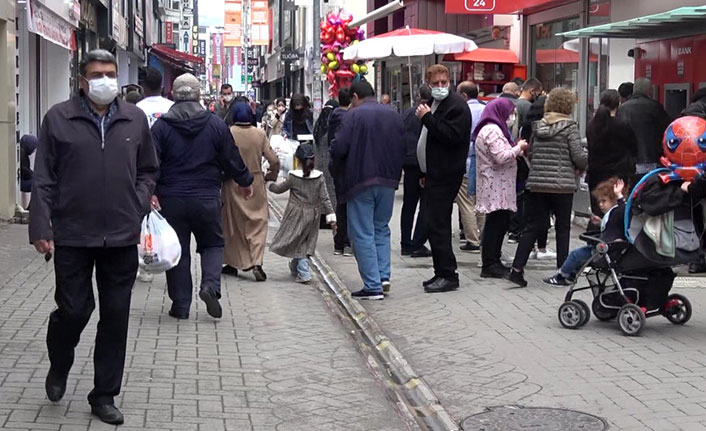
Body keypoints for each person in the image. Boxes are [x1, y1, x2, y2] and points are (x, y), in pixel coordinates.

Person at [29, 49, 159, 425]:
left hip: (121, 234)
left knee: (115, 317)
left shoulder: (134, 119)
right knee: (75, 309)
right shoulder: (58, 119)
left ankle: (104, 395)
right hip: (72, 234)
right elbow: (43, 178)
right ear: (82, 80)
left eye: (110, 72)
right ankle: (60, 361)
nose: (104, 79)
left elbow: (148, 169)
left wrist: (136, 204)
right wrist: (41, 226)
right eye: (97, 73)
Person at [151, 73, 254, 320]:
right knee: (212, 244)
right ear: (199, 96)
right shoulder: (215, 124)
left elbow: (150, 162)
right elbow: (230, 157)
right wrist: (245, 181)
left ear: (173, 96)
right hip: (207, 196)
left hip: (171, 198)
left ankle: (181, 305)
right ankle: (210, 286)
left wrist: (150, 191)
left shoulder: (161, 126)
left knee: (177, 251)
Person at [331, 80, 405, 299]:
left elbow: (339, 147)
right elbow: (403, 146)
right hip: (388, 180)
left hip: (360, 180)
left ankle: (372, 285)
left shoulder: (352, 116)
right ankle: (383, 277)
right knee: (381, 228)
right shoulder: (393, 114)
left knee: (362, 232)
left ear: (354, 97)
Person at [509, 88, 588, 287]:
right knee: (563, 229)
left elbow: (532, 154)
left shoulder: (538, 126)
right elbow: (579, 157)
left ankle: (517, 269)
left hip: (537, 184)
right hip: (562, 186)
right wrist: (581, 164)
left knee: (532, 227)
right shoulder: (570, 127)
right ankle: (562, 272)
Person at [416, 64, 471, 293]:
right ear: (428, 84)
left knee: (438, 224)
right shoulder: (435, 103)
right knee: (432, 222)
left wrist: (428, 118)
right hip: (433, 174)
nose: (440, 87)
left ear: (450, 81)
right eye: (436, 83)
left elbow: (451, 136)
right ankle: (440, 271)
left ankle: (448, 274)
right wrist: (423, 171)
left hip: (446, 174)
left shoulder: (457, 105)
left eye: (443, 83)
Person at [221, 102, 280, 281]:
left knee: (233, 224)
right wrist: (271, 176)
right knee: (258, 222)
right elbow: (274, 160)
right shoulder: (259, 134)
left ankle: (232, 263)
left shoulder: (228, 133)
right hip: (255, 182)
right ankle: (256, 262)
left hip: (232, 183)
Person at [474, 98, 528, 278]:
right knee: (495, 224)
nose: (512, 117)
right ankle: (490, 263)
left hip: (498, 185)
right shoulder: (492, 130)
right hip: (496, 185)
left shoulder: (493, 129)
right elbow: (501, 156)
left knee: (499, 223)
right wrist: (518, 148)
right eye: (510, 113)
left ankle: (493, 260)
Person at [268, 144, 336, 283]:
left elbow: (279, 189)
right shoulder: (319, 178)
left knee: (296, 238)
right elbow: (325, 198)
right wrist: (331, 216)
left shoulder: (293, 177)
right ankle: (296, 265)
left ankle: (304, 271)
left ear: (297, 160)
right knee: (307, 241)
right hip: (314, 213)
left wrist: (269, 184)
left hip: (295, 212)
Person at [543, 178, 626, 286]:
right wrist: (600, 223)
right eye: (599, 201)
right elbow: (613, 226)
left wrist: (619, 196)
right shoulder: (611, 213)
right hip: (605, 248)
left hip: (605, 250)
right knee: (579, 257)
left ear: (613, 199)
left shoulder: (616, 211)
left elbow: (623, 212)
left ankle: (562, 276)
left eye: (604, 201)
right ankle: (571, 275)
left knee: (575, 255)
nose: (600, 204)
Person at [586, 89, 637, 218]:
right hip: (618, 176)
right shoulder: (622, 125)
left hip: (595, 175)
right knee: (616, 211)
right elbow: (634, 148)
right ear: (618, 104)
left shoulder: (591, 126)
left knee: (598, 212)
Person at [617, 77, 671, 184]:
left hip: (630, 163)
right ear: (649, 91)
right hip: (652, 161)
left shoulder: (623, 109)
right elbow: (668, 131)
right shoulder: (655, 107)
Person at [399, 84, 432, 258]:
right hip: (424, 164)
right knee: (425, 205)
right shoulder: (430, 113)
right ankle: (417, 243)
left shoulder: (406, 113)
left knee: (409, 204)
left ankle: (405, 243)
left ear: (418, 96)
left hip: (409, 162)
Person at [455, 81, 485, 253]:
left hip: (466, 161)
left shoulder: (462, 110)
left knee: (466, 203)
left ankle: (472, 240)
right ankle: (483, 236)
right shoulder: (485, 109)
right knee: (481, 202)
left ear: (464, 95)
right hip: (484, 162)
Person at [327, 87, 353, 256]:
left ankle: (339, 243)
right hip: (348, 165)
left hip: (335, 165)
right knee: (349, 205)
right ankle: (347, 242)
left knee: (341, 203)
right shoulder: (349, 119)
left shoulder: (332, 117)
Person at [313, 98, 340, 229]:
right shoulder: (334, 126)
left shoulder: (318, 126)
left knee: (321, 194)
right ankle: (333, 218)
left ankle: (322, 219)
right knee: (331, 194)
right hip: (331, 164)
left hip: (319, 165)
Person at [19, 134, 38, 209]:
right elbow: (25, 172)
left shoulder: (24, 154)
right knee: (38, 185)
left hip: (22, 180)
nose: (33, 151)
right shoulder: (22, 155)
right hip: (21, 182)